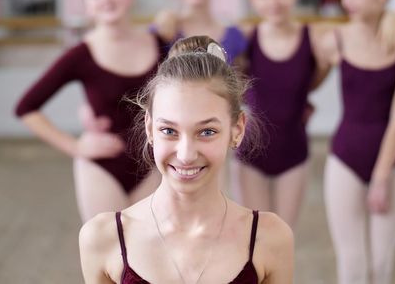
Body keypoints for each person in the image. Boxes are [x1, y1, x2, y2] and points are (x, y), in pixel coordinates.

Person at [79, 36, 294, 284]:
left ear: (237, 130)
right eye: (169, 131)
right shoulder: (103, 239)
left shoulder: (269, 238)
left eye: (206, 132)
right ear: (149, 128)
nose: (185, 154)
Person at [14, 0, 165, 223]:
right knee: (108, 256)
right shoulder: (80, 55)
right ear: (88, 6)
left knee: (149, 255)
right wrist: (75, 146)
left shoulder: (160, 44)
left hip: (153, 163)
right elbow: (26, 107)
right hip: (102, 167)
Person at [314, 0, 395, 284]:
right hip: (344, 160)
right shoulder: (333, 41)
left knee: (380, 266)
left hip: (393, 163)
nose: (347, 2)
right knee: (352, 267)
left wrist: (380, 178)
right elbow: (302, 82)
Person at [232, 0, 329, 230]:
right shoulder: (246, 39)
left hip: (293, 151)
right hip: (251, 153)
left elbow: (313, 81)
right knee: (254, 237)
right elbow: (232, 85)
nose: (273, 1)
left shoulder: (313, 37)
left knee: (283, 236)